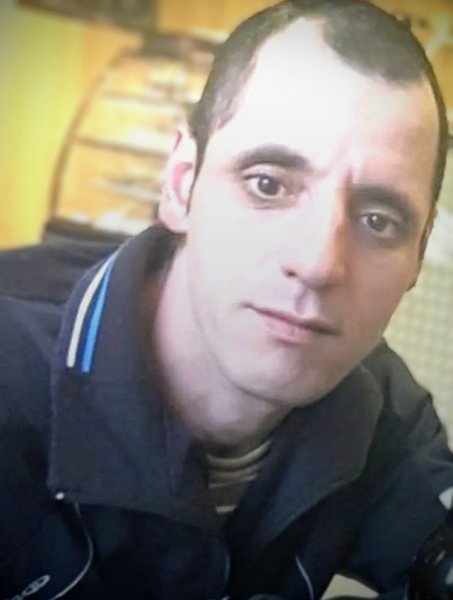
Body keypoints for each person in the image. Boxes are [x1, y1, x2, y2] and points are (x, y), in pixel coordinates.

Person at [0, 0, 452, 598]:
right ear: (181, 185)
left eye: (378, 220)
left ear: (418, 252)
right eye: (267, 184)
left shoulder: (382, 407)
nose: (318, 264)